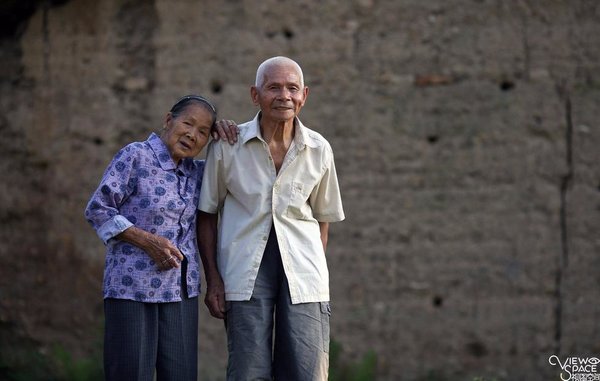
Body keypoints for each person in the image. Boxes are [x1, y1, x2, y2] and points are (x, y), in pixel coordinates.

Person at [197, 56, 345, 380]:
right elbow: (206, 213)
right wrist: (214, 280)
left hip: (305, 277)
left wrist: (312, 269)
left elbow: (323, 218)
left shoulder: (319, 149)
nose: (284, 96)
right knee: (248, 371)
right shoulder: (227, 145)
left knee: (307, 372)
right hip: (243, 272)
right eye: (274, 87)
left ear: (304, 95)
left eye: (292, 88)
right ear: (255, 95)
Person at [84, 95, 237, 381]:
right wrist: (146, 240)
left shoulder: (198, 172)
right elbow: (98, 209)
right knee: (130, 374)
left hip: (181, 292)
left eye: (203, 131)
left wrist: (224, 137)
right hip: (131, 288)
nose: (192, 134)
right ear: (168, 120)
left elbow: (234, 170)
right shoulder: (136, 155)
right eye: (187, 123)